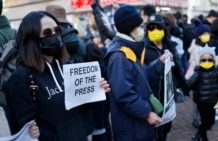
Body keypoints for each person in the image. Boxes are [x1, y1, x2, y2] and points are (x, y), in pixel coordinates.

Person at [3, 11, 110, 141]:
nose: (55, 35)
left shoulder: (67, 68)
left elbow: (77, 109)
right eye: (47, 33)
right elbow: (26, 129)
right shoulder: (20, 78)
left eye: (57, 30)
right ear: (32, 39)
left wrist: (95, 92)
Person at [104, 5, 165, 141]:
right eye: (140, 25)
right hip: (132, 131)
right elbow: (124, 95)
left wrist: (159, 63)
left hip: (138, 127)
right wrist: (147, 113)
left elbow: (141, 77)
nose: (142, 29)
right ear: (130, 28)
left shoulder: (129, 49)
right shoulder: (119, 56)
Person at [143, 13, 187, 141]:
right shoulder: (142, 48)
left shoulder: (170, 45)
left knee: (167, 126)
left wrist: (179, 85)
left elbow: (178, 68)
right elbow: (143, 73)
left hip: (169, 96)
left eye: (159, 27)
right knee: (158, 131)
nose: (155, 30)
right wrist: (159, 62)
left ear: (164, 29)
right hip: (154, 97)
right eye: (151, 28)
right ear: (147, 30)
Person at [187, 46, 218, 141]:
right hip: (202, 101)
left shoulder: (215, 71)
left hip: (213, 101)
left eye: (209, 59)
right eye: (204, 60)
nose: (207, 62)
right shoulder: (198, 73)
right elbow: (189, 84)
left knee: (211, 121)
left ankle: (198, 135)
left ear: (213, 60)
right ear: (200, 60)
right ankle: (203, 138)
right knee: (205, 121)